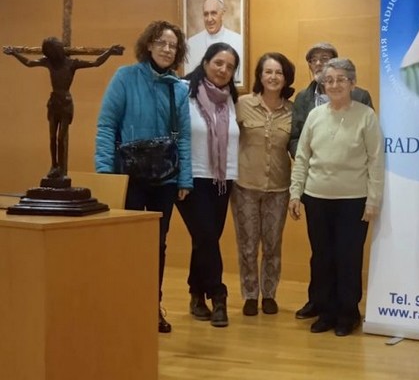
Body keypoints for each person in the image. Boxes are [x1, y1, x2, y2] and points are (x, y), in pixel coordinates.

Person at [95, 20, 192, 334]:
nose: (167, 49)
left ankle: (152, 306)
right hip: (129, 178)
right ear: (148, 45)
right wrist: (105, 174)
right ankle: (125, 306)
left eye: (173, 45)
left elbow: (184, 138)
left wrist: (185, 179)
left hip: (165, 180)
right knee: (128, 246)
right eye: (161, 42)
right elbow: (106, 126)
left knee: (157, 245)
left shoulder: (179, 87)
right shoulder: (125, 77)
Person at [288, 58, 384, 336]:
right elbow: (302, 157)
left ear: (353, 83)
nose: (334, 84)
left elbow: (376, 160)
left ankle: (347, 314)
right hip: (316, 198)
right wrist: (295, 192)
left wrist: (373, 199)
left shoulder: (366, 116)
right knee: (322, 257)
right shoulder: (315, 116)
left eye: (341, 79)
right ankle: (327, 312)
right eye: (329, 80)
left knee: (348, 258)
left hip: (353, 200)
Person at [176, 43, 240, 328]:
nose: (223, 70)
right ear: (205, 63)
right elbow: (175, 135)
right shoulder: (183, 92)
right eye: (218, 63)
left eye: (230, 66)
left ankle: (195, 294)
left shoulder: (231, 99)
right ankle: (218, 295)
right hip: (191, 180)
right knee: (206, 238)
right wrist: (180, 177)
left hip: (223, 181)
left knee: (205, 240)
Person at [3, 38, 123, 180]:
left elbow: (95, 63)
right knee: (52, 137)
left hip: (65, 104)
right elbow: (29, 63)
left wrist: (109, 52)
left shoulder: (71, 63)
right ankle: (54, 165)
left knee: (61, 138)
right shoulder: (48, 62)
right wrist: (15, 53)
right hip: (54, 103)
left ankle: (61, 167)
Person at [231, 52, 295, 316]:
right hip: (245, 187)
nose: (273, 77)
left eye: (278, 72)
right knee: (247, 245)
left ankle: (269, 294)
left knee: (272, 245)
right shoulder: (242, 104)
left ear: (286, 78)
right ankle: (249, 294)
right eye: (268, 71)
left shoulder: (292, 111)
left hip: (279, 189)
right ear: (260, 75)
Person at [185, 0, 243, 79]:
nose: (209, 19)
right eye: (206, 14)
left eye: (213, 13)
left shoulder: (238, 40)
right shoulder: (192, 42)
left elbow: (238, 78)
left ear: (222, 14)